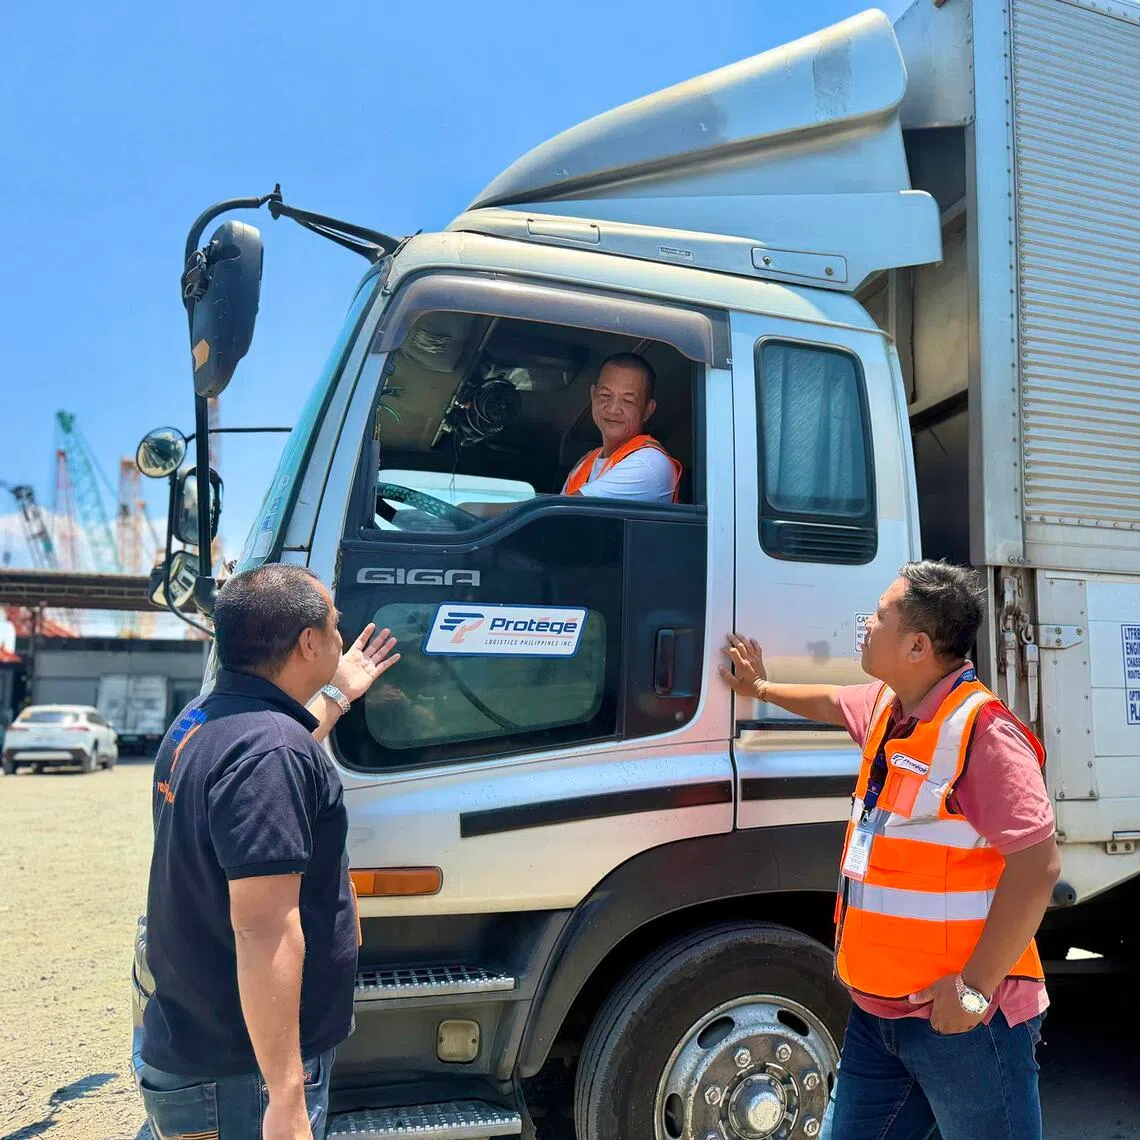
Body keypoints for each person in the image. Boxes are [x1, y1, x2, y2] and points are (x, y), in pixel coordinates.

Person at [721, 560, 1060, 1140]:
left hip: (961, 1025)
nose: (866, 624)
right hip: (878, 1018)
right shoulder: (888, 708)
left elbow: (1039, 865)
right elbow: (832, 700)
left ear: (918, 646)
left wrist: (974, 991)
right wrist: (758, 688)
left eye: (880, 616)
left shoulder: (984, 732)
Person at [135, 564, 400, 1140]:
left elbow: (272, 759)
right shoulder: (271, 752)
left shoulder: (204, 719)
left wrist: (337, 692)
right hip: (243, 1076)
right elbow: (263, 930)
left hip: (199, 1043)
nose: (341, 635)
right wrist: (284, 1094)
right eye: (334, 625)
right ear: (307, 641)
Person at [561, 352, 682, 502]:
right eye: (605, 395)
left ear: (647, 410)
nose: (613, 409)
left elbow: (565, 512)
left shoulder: (649, 464)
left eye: (627, 401)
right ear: (593, 395)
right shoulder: (587, 461)